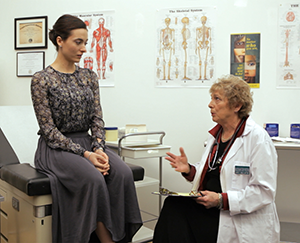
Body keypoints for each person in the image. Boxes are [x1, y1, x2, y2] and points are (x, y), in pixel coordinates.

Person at [31, 14, 142, 243]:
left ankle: (122, 236)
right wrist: (86, 154)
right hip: (55, 149)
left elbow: (97, 119)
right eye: (78, 42)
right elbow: (49, 131)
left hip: (89, 144)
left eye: (85, 43)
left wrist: (99, 148)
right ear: (60, 41)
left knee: (122, 173)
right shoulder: (41, 80)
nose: (83, 48)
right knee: (93, 178)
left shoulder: (89, 76)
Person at [153, 75, 280, 243]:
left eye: (217, 99)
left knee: (177, 215)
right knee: (173, 205)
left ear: (237, 105)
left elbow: (264, 192)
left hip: (236, 216)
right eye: (211, 98)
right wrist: (189, 170)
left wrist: (221, 200)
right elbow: (215, 171)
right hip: (212, 208)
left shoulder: (257, 139)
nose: (210, 104)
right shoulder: (217, 134)